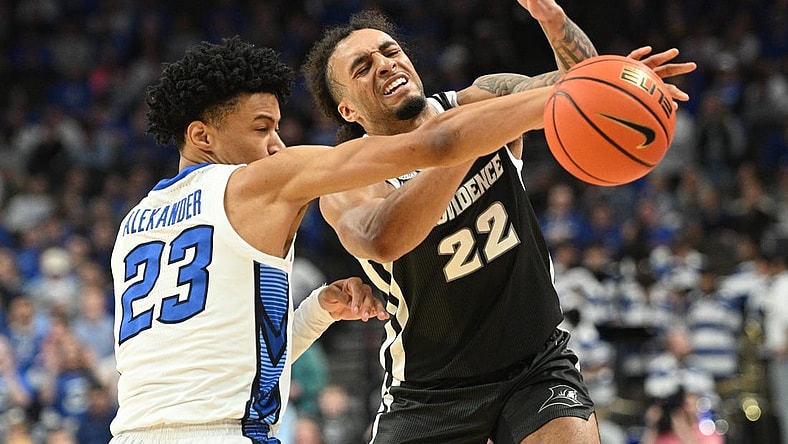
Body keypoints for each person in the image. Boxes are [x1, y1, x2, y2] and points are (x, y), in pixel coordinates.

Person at [109, 35, 560, 444]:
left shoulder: (133, 225)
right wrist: (563, 98)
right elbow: (437, 143)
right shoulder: (254, 184)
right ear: (202, 136)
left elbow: (222, 363)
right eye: (262, 128)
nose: (277, 147)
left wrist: (317, 311)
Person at [302, 1, 697, 442]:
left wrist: (556, 24)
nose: (384, 64)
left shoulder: (479, 99)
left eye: (390, 51)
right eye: (362, 67)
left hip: (534, 361)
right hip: (431, 390)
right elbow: (383, 239)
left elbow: (581, 91)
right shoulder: (346, 179)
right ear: (348, 111)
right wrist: (461, 139)